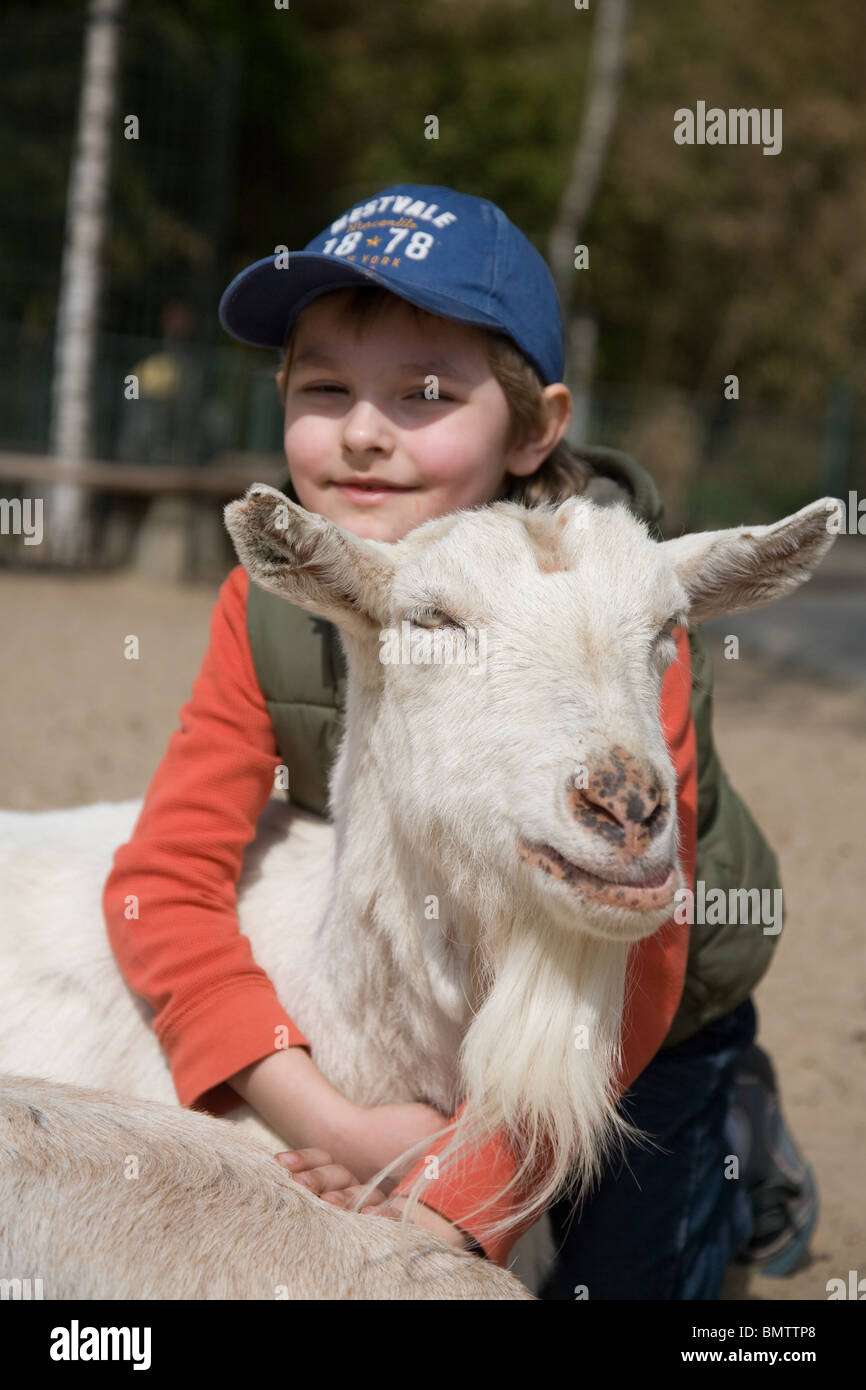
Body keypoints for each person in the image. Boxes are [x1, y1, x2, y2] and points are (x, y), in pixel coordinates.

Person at [102, 183, 816, 1295]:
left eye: (424, 394)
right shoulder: (275, 605)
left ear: (534, 428)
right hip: (436, 975)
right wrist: (333, 1123)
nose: (362, 431)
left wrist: (455, 1194)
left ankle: (740, 1153)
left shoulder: (617, 598)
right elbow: (163, 881)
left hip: (642, 1014)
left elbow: (643, 941)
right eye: (323, 388)